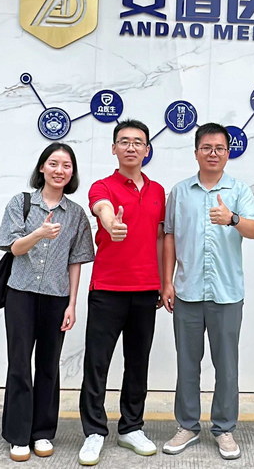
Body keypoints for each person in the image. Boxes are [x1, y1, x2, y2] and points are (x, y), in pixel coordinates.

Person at [159, 123, 254, 460]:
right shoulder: (180, 192)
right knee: (187, 364)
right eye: (206, 147)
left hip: (227, 293)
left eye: (219, 148)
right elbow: (169, 236)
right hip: (187, 291)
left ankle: (224, 428)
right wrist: (167, 281)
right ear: (196, 152)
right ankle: (187, 426)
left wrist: (232, 219)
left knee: (226, 365)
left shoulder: (239, 190)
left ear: (228, 153)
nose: (213, 153)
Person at [0, 142, 95, 462]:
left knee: (49, 365)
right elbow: (13, 248)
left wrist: (72, 304)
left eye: (66, 166)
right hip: (20, 294)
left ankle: (42, 432)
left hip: (56, 297)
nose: (59, 170)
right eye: (53, 164)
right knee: (20, 364)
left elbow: (76, 261)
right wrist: (39, 233)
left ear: (72, 173)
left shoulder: (76, 214)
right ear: (42, 168)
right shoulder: (21, 203)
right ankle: (18, 435)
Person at [77, 119, 166, 466]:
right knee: (96, 363)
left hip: (145, 289)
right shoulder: (102, 186)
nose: (131, 147)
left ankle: (131, 427)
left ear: (147, 150)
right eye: (124, 141)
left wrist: (163, 281)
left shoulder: (158, 191)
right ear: (114, 148)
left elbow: (160, 238)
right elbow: (101, 208)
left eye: (138, 142)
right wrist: (110, 222)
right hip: (108, 288)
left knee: (138, 363)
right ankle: (94, 432)